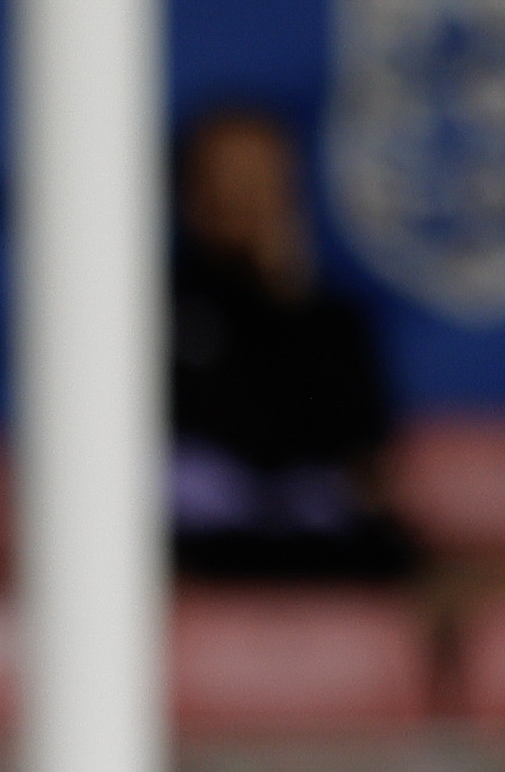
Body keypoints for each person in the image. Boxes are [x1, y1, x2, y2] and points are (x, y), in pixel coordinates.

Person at [167, 104, 422, 586]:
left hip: (317, 546)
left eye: (261, 179)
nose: (244, 197)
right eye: (226, 178)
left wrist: (283, 298)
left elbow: (356, 451)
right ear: (191, 190)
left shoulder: (331, 319)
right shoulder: (140, 313)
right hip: (190, 546)